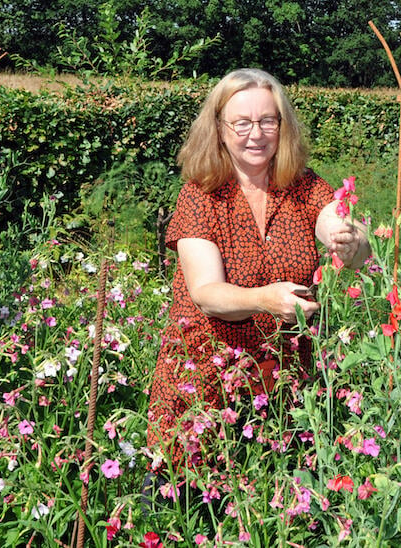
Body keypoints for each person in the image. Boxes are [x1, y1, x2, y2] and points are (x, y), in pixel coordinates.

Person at [146, 68, 370, 457]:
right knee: (189, 505)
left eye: (268, 120)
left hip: (283, 383)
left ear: (283, 126)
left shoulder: (302, 184)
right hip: (204, 381)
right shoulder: (200, 195)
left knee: (279, 500)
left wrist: (348, 237)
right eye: (242, 122)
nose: (256, 133)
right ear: (218, 128)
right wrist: (265, 299)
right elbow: (206, 294)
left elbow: (333, 216)